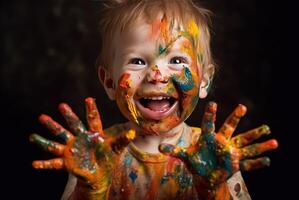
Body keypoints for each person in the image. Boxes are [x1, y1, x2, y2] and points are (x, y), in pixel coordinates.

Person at [30, 0, 278, 199]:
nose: (157, 75)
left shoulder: (217, 155)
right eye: (137, 61)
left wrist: (214, 190)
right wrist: (91, 190)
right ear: (109, 83)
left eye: (177, 61)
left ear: (205, 80)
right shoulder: (95, 154)